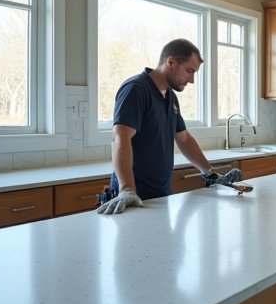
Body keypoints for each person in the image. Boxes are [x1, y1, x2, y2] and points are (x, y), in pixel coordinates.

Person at [97, 38, 242, 215]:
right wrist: (127, 189)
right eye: (189, 71)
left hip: (160, 194)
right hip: (133, 197)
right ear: (171, 62)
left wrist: (211, 174)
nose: (192, 80)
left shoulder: (170, 97)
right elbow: (120, 137)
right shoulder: (136, 89)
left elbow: (184, 138)